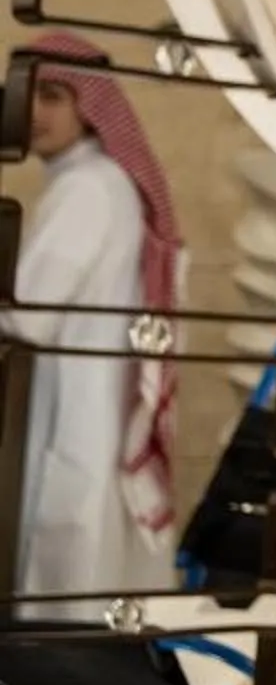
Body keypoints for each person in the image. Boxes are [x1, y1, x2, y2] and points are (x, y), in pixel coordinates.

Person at [3, 35, 185, 608]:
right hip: (92, 405)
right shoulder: (100, 182)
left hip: (77, 408)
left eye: (54, 96)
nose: (36, 112)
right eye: (28, 95)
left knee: (66, 585)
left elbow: (27, 317)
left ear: (89, 105)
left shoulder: (88, 187)